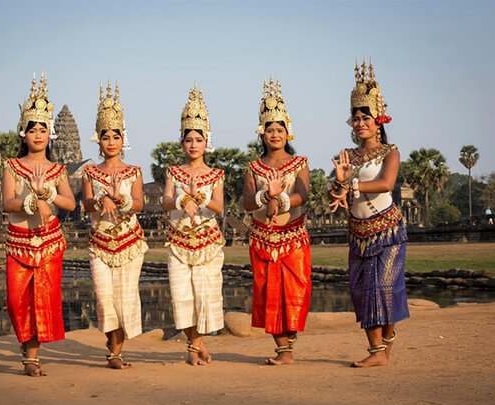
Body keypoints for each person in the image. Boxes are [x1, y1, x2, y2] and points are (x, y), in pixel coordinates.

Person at [328, 58, 409, 367]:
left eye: (366, 117)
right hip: (358, 232)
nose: (361, 122)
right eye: (356, 117)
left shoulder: (391, 152)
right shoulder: (345, 156)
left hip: (387, 230)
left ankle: (384, 345)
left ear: (379, 121)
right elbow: (333, 188)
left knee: (384, 289)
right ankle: (378, 351)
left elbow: (387, 183)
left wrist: (353, 187)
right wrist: (337, 185)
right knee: (362, 290)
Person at [2, 73, 76, 376]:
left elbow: (70, 203)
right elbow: (7, 202)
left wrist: (50, 194)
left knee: (43, 299)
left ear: (51, 134)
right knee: (16, 300)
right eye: (32, 129)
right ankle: (25, 345)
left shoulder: (58, 169)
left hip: (49, 240)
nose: (37, 135)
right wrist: (31, 201)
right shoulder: (12, 166)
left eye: (42, 129)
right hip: (19, 239)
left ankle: (32, 357)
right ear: (24, 134)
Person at [242, 78, 311, 365]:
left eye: (279, 129)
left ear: (288, 133)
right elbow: (246, 202)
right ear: (262, 133)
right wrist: (263, 196)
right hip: (262, 238)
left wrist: (280, 200)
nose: (275, 134)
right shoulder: (253, 167)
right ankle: (283, 350)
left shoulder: (300, 163)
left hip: (292, 236)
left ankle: (290, 341)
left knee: (297, 289)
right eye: (269, 129)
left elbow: (303, 195)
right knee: (267, 292)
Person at [83, 82, 148, 369]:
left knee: (123, 299)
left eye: (116, 136)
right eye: (105, 137)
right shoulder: (89, 172)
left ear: (124, 140)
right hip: (100, 242)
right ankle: (113, 348)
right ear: (98, 140)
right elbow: (85, 203)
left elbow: (139, 204)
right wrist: (100, 200)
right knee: (103, 298)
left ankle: (116, 352)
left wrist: (119, 200)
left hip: (129, 243)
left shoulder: (134, 171)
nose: (111, 142)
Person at [162, 86, 225, 366]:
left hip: (208, 242)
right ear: (182, 142)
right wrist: (181, 199)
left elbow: (220, 208)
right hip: (178, 241)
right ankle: (195, 345)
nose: (193, 145)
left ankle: (194, 346)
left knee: (204, 296)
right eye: (188, 139)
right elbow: (165, 201)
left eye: (198, 139)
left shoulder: (215, 174)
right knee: (181, 296)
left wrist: (202, 198)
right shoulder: (174, 172)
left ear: (206, 142)